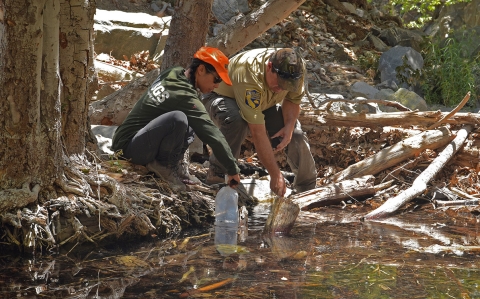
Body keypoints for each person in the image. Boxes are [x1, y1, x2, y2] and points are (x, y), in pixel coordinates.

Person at [111, 46, 241, 191]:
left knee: (192, 118)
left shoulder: (173, 73)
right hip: (127, 148)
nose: (216, 86)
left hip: (140, 142)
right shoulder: (183, 94)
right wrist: (232, 169)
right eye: (216, 79)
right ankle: (163, 166)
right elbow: (212, 133)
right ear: (201, 69)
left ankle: (172, 166)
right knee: (178, 118)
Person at [203, 48, 317, 197]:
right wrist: (275, 175)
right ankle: (217, 173)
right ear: (269, 67)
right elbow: (258, 132)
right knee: (237, 120)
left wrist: (288, 127)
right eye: (280, 83)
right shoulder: (249, 74)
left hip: (263, 104)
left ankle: (307, 188)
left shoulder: (295, 69)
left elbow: (292, 100)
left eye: (287, 86)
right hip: (221, 97)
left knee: (295, 132)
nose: (281, 89)